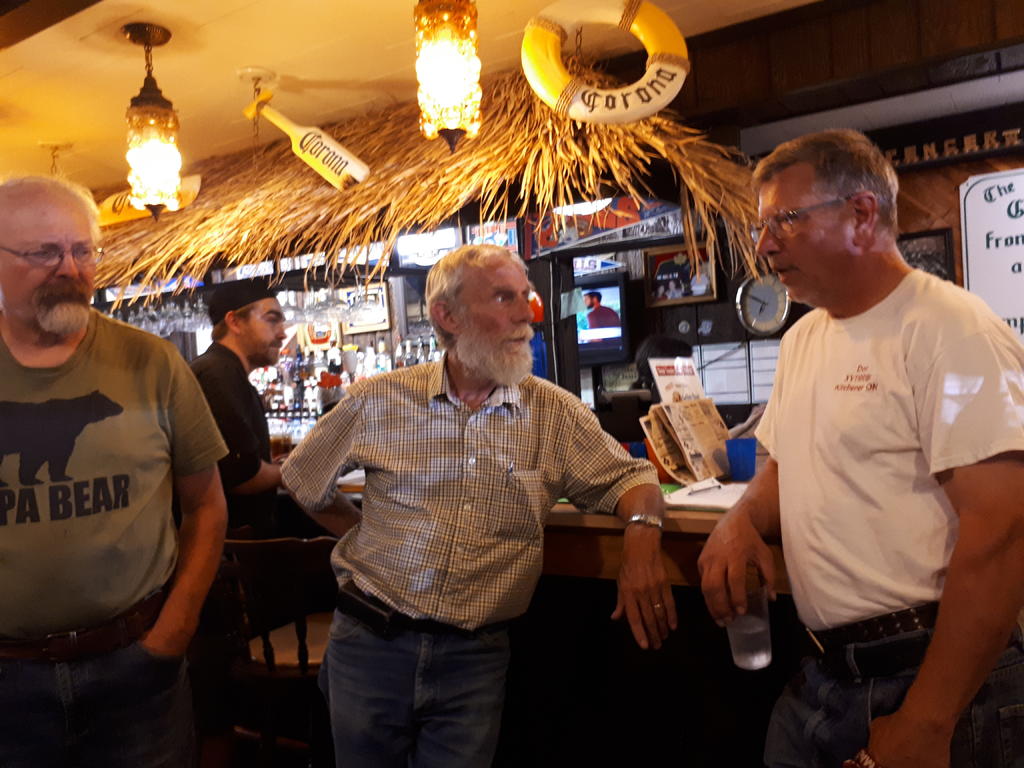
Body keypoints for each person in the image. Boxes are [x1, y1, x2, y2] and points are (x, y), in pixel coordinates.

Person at [697, 130, 1024, 768]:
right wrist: (740, 520)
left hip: (933, 678)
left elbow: (1004, 532)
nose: (764, 245)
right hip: (823, 677)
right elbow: (785, 467)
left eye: (787, 220)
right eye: (763, 226)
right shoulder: (803, 339)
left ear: (861, 214)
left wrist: (928, 721)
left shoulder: (951, 328)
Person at [282, 244, 676, 768]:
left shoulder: (554, 412)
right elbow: (303, 478)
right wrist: (362, 533)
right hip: (371, 643)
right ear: (447, 315)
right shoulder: (377, 399)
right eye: (503, 297)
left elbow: (632, 477)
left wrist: (642, 537)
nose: (526, 313)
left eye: (525, 296)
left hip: (474, 659)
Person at [0, 175, 228, 766]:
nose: (70, 269)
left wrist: (174, 630)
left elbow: (207, 505)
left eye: (82, 250)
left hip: (136, 670)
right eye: (44, 252)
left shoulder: (153, 361)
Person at [190, 278, 287, 537]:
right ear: (234, 322)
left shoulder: (223, 370)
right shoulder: (218, 374)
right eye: (272, 320)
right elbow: (243, 477)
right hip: (230, 548)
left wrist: (274, 467)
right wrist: (293, 470)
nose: (282, 334)